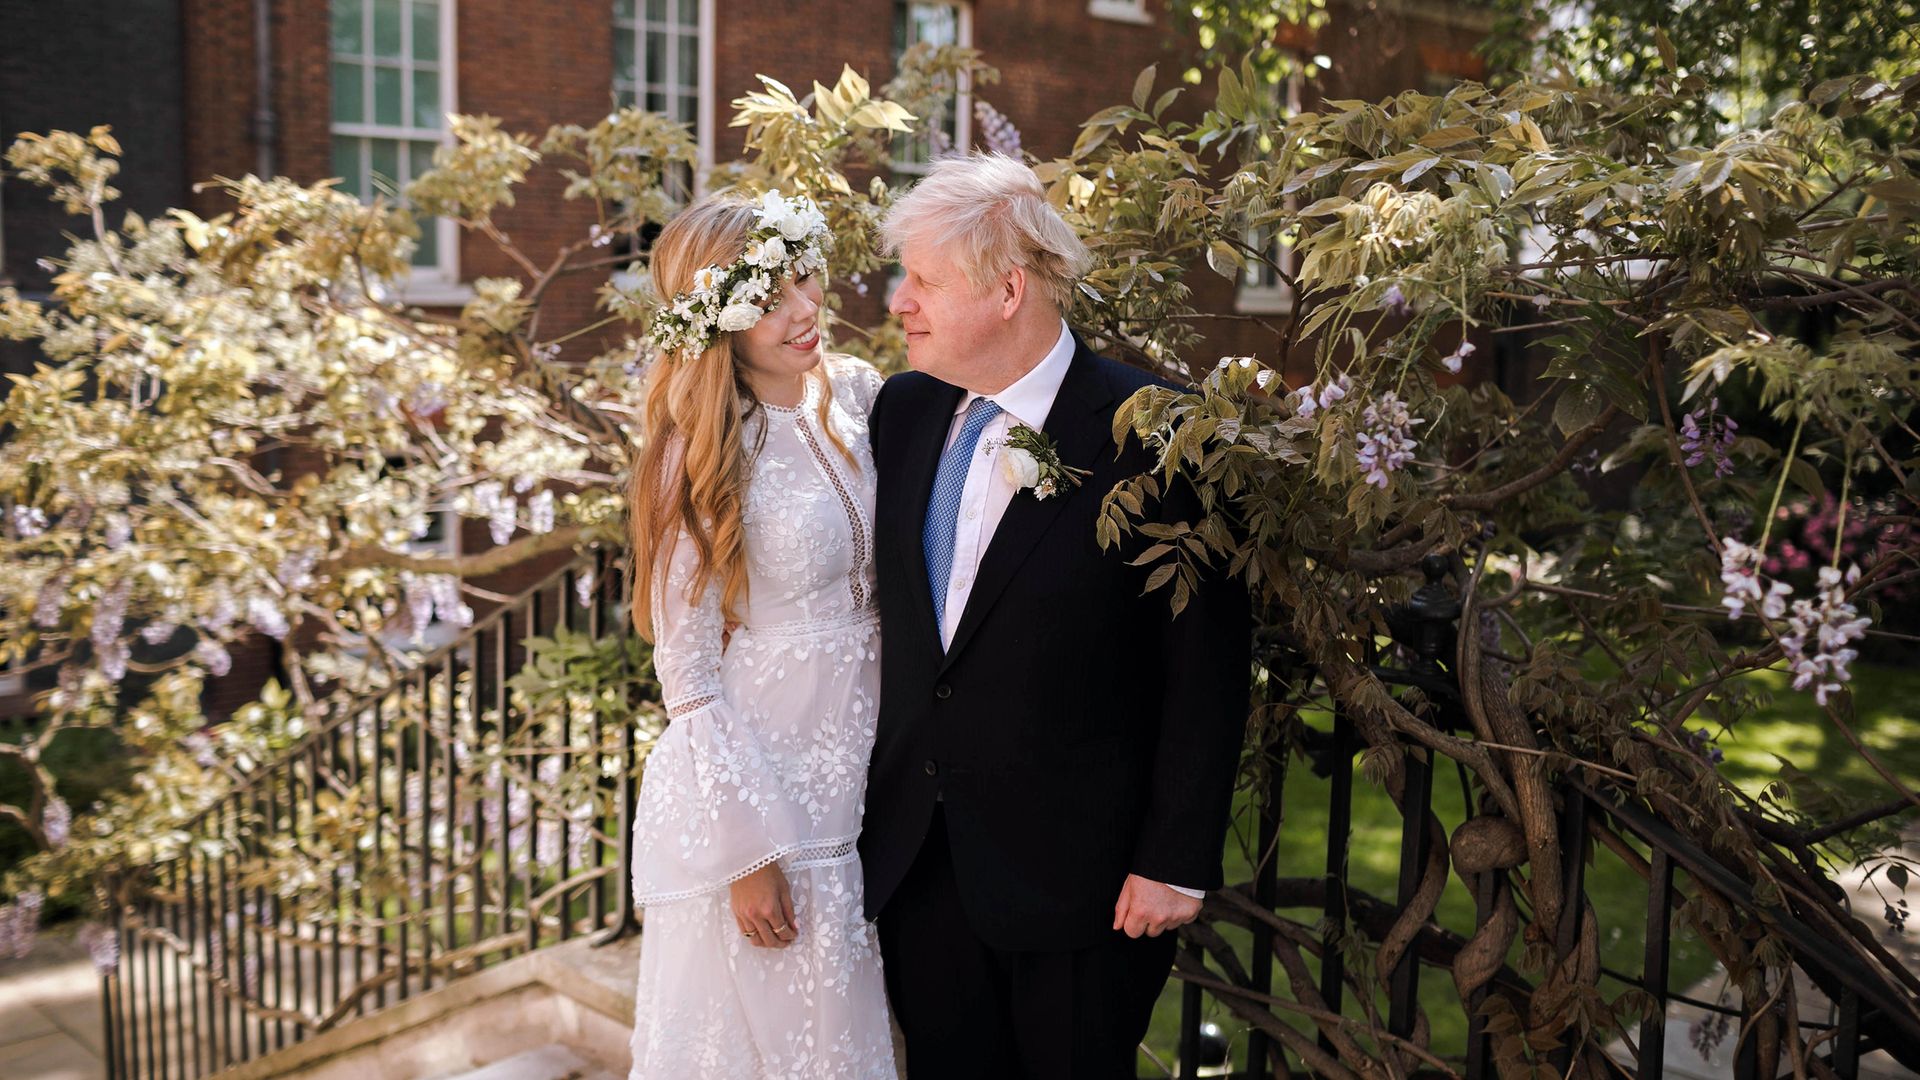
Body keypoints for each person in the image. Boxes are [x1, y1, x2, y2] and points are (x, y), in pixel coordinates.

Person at [860, 152, 1252, 1079]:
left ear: (1007, 289)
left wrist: (1175, 860)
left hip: (1088, 888)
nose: (897, 302)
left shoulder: (1159, 433)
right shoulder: (904, 412)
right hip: (924, 866)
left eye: (922, 280)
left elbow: (1207, 663)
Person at [624, 190, 897, 1080]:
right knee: (786, 1039)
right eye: (771, 297)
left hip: (876, 755)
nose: (806, 308)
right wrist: (749, 854)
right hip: (770, 779)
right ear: (721, 319)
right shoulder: (698, 448)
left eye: (806, 280)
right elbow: (690, 671)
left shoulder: (864, 396)